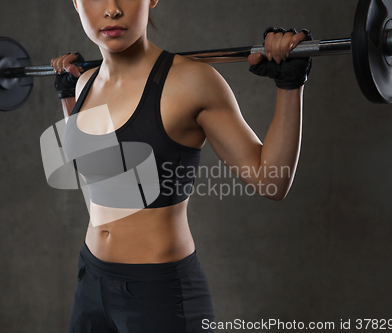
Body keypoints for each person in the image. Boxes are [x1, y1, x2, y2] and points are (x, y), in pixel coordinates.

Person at [50, 0, 311, 332]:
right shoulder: (84, 82)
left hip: (157, 292)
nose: (112, 9)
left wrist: (289, 85)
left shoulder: (191, 81)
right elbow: (92, 167)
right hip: (91, 279)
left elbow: (270, 181)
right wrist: (67, 97)